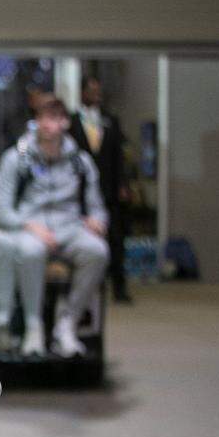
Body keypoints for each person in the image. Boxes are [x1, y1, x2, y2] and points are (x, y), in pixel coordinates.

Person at [0, 96, 109, 356]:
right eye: (42, 118)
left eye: (54, 119)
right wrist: (29, 225)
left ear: (65, 123)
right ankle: (34, 327)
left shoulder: (80, 162)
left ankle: (67, 324)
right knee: (29, 251)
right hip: (29, 227)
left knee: (97, 251)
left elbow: (96, 205)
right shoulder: (16, 159)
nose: (47, 125)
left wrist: (98, 221)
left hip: (70, 227)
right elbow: (1, 211)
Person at [70, 75, 131, 302]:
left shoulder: (110, 120)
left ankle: (120, 287)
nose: (96, 95)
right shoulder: (73, 121)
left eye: (98, 90)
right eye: (92, 90)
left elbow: (119, 157)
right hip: (81, 190)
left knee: (116, 239)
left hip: (109, 188)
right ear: (83, 92)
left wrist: (123, 184)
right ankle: (92, 288)